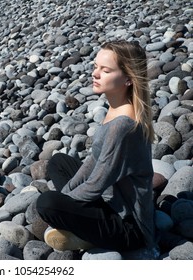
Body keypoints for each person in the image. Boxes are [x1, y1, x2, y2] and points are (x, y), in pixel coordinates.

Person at [36, 40, 158, 254]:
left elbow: (96, 184)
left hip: (130, 227)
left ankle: (85, 236)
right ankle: (81, 226)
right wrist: (67, 196)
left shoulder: (122, 125)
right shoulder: (115, 109)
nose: (95, 74)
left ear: (128, 79)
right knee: (59, 162)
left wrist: (62, 204)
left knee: (47, 203)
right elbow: (93, 162)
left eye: (106, 70)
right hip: (110, 199)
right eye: (95, 67)